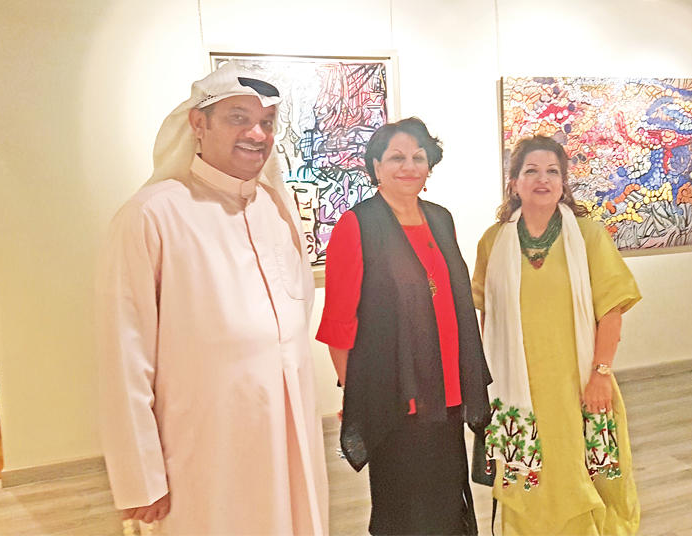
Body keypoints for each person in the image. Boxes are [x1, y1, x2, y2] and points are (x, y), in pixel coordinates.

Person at [96, 62, 328, 535]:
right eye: (238, 118)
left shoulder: (276, 209)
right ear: (198, 124)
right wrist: (141, 477)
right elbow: (123, 356)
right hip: (206, 451)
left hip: (291, 435)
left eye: (266, 122)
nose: (257, 134)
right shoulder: (151, 215)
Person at [316, 117, 492, 535]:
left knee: (447, 500)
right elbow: (339, 324)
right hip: (395, 398)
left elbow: (454, 299)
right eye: (397, 157)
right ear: (376, 166)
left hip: (449, 391)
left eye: (418, 157)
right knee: (404, 508)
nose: (409, 166)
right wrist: (358, 392)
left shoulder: (441, 218)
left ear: (430, 165)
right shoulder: (357, 225)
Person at [471, 135, 642, 535]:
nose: (542, 179)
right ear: (514, 182)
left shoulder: (588, 236)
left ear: (564, 182)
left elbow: (611, 311)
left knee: (582, 477)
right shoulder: (493, 241)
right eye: (531, 171)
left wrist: (601, 374)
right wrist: (487, 381)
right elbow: (488, 316)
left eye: (552, 171)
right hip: (518, 389)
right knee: (527, 485)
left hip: (577, 384)